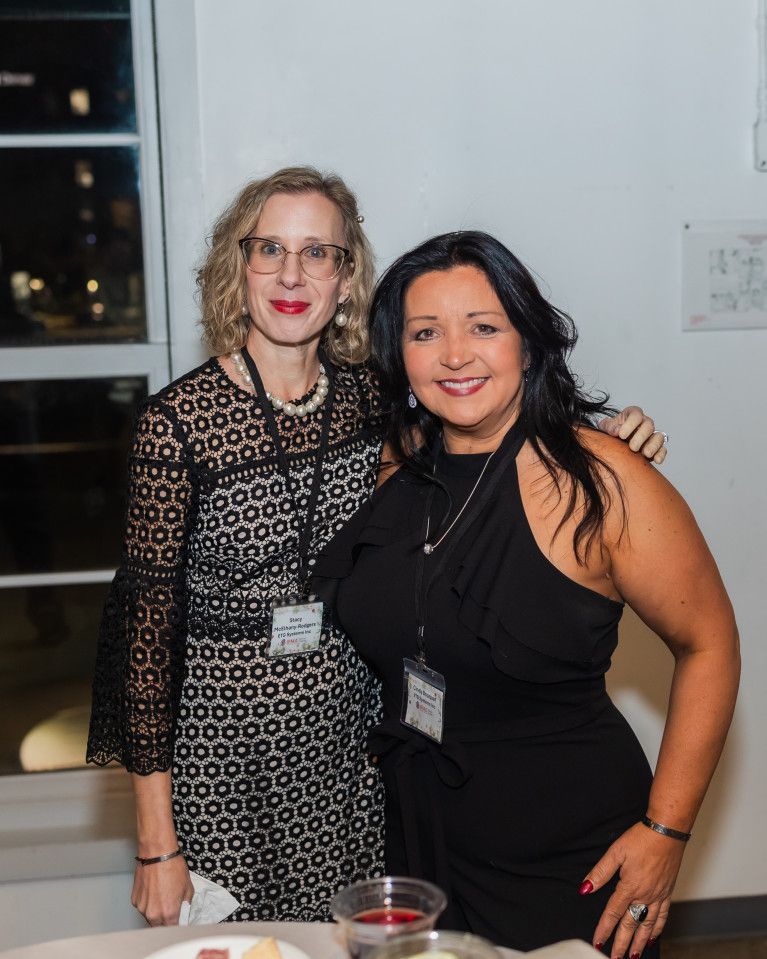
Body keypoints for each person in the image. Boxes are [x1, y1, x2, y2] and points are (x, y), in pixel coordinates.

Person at [86, 168, 666, 928]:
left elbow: (493, 413)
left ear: (346, 274)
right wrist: (156, 842)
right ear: (238, 264)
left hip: (356, 753)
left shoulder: (376, 399)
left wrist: (613, 438)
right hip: (224, 762)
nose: (292, 275)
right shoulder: (178, 423)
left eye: (318, 253)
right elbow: (144, 639)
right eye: (269, 249)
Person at [313, 231, 739, 956]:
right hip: (419, 838)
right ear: (399, 355)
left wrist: (665, 830)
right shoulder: (399, 465)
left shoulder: (601, 481)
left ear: (527, 343)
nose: (454, 354)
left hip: (565, 852)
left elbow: (709, 644)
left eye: (483, 326)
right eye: (425, 332)